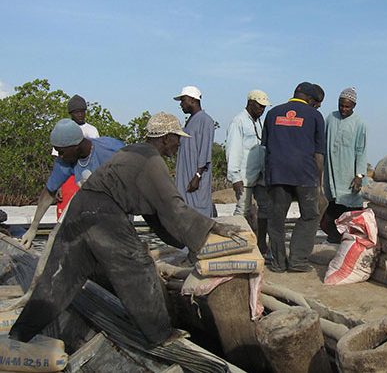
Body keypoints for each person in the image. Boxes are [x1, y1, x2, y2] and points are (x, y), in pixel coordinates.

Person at [9, 112, 241, 348]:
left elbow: (153, 210)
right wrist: (213, 226)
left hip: (81, 209)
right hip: (103, 214)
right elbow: (172, 206)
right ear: (165, 138)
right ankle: (160, 334)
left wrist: (180, 240)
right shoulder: (151, 161)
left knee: (57, 278)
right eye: (176, 138)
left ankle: (18, 335)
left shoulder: (132, 151)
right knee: (137, 266)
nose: (179, 143)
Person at [20, 119, 124, 249]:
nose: (60, 156)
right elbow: (49, 192)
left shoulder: (111, 149)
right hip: (93, 208)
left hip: (119, 209)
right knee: (62, 239)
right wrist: (33, 228)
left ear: (76, 146)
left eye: (61, 152)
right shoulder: (64, 162)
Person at [262, 82, 325, 272]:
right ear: (310, 100)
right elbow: (319, 154)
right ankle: (297, 261)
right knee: (310, 216)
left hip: (277, 174)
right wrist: (319, 184)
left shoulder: (273, 114)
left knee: (276, 220)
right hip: (305, 174)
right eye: (317, 102)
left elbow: (266, 147)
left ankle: (279, 263)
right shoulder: (315, 116)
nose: (317, 106)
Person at [226, 89, 271, 255]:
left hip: (260, 174)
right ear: (250, 103)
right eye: (259, 107)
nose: (262, 110)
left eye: (264, 108)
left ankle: (261, 244)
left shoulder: (258, 122)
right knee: (242, 211)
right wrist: (235, 177)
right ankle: (235, 246)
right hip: (244, 176)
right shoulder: (238, 122)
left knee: (265, 208)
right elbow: (233, 150)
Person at [321, 87, 367, 243]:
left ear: (354, 106)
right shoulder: (330, 118)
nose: (343, 109)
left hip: (349, 175)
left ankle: (350, 242)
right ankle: (335, 239)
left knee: (350, 210)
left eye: (347, 106)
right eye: (341, 105)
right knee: (332, 207)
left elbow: (361, 150)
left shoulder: (359, 123)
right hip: (331, 172)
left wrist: (359, 175)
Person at [54, 94, 100, 219]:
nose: (80, 115)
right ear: (71, 113)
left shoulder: (92, 130)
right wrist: (58, 185)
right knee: (65, 216)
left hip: (87, 176)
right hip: (68, 177)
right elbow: (58, 160)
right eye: (76, 112)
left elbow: (96, 158)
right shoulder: (63, 130)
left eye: (82, 111)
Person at [174, 86, 216, 217]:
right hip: (185, 178)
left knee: (198, 213)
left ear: (192, 100)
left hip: (195, 180)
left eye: (183, 100)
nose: (181, 104)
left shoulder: (205, 120)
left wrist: (197, 176)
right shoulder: (190, 121)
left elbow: (205, 151)